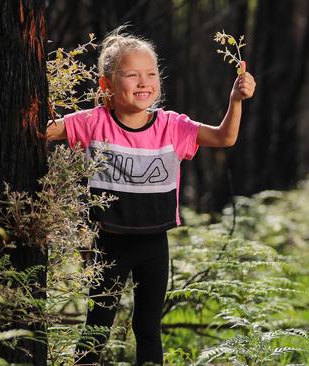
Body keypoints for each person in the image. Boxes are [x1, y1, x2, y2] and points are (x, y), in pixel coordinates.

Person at [46, 27, 256, 365]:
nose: (144, 82)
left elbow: (224, 137)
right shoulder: (94, 122)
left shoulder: (171, 126)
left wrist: (235, 100)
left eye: (151, 74)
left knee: (147, 327)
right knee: (96, 328)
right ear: (107, 85)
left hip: (155, 245)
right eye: (132, 75)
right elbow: (48, 129)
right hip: (109, 245)